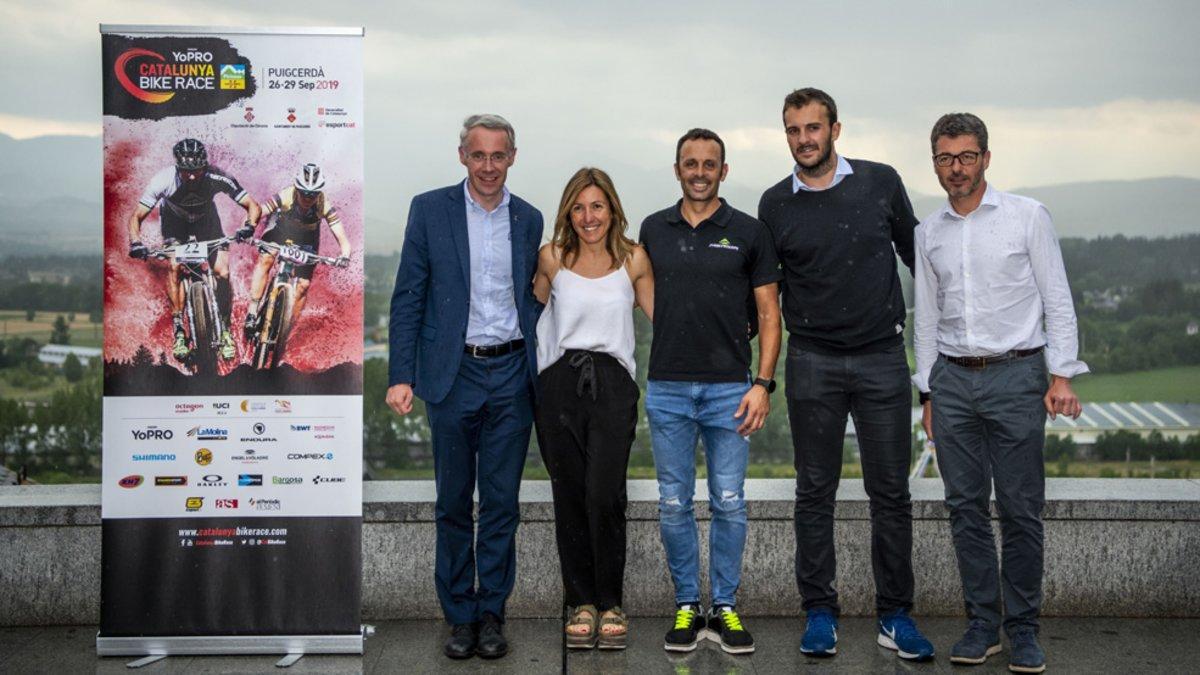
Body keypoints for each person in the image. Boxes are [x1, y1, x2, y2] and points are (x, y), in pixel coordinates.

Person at [757, 88, 934, 661]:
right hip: (812, 362)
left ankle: (896, 616)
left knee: (891, 493)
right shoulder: (774, 204)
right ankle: (819, 613)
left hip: (884, 358)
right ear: (786, 135)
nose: (804, 139)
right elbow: (763, 296)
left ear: (836, 129)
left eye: (813, 127)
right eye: (793, 130)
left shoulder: (880, 182)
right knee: (814, 492)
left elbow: (922, 264)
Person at [913, 113, 1086, 674]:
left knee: (1019, 509)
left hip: (1017, 376)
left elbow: (1056, 297)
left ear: (986, 157)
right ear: (934, 162)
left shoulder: (1027, 217)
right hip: (953, 381)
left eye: (965, 156)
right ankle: (983, 623)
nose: (955, 168)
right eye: (944, 157)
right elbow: (927, 317)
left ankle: (1024, 629)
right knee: (963, 507)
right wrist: (928, 391)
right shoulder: (927, 232)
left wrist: (1061, 375)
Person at [386, 114, 544, 660]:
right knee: (453, 502)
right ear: (462, 156)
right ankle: (459, 616)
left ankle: (492, 614)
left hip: (511, 375)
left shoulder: (529, 219)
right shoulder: (429, 210)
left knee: (501, 503)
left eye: (498, 155)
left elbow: (539, 298)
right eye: (478, 155)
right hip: (452, 376)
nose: (488, 166)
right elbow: (408, 296)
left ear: (513, 157)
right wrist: (401, 374)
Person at [640, 128, 782, 655]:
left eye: (709, 164)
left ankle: (724, 606)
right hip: (668, 389)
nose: (699, 172)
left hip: (731, 391)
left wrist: (763, 384)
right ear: (677, 169)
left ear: (724, 170)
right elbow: (638, 291)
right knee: (674, 503)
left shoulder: (748, 231)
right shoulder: (654, 228)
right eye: (690, 163)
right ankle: (686, 606)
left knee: (728, 501)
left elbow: (770, 314)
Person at [532, 167, 653, 650]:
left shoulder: (634, 260)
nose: (588, 217)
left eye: (597, 206)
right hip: (559, 384)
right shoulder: (552, 258)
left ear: (613, 210)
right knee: (569, 494)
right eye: (578, 208)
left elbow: (666, 317)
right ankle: (580, 602)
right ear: (568, 212)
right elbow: (534, 316)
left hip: (613, 385)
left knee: (605, 494)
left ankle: (611, 602)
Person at [128, 138, 260, 361]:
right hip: (174, 223)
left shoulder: (217, 176)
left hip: (207, 222)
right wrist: (135, 242)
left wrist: (249, 226)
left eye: (197, 171)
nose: (191, 176)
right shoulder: (163, 180)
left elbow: (252, 206)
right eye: (186, 171)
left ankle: (225, 331)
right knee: (174, 266)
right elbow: (136, 216)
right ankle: (179, 331)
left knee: (222, 273)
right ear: (177, 167)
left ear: (205, 167)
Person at [240, 163, 351, 340]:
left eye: (313, 194)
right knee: (267, 258)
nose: (308, 198)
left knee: (303, 286)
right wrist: (246, 228)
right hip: (280, 230)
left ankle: (287, 329)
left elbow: (342, 237)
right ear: (297, 188)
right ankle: (252, 311)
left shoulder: (324, 205)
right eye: (304, 192)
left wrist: (345, 255)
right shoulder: (286, 195)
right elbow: (259, 211)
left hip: (307, 238)